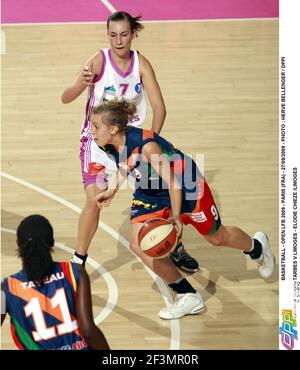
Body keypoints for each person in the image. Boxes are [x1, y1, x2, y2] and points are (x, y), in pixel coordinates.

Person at [92, 99, 275, 320]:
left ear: (113, 129)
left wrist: (176, 216)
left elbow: (173, 183)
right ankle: (187, 295)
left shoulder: (147, 146)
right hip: (150, 191)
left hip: (185, 186)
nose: (92, 131)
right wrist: (111, 190)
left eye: (96, 126)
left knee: (217, 238)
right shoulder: (106, 143)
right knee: (139, 243)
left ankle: (257, 247)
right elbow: (125, 164)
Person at [61, 11, 199, 273]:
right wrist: (82, 81)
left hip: (130, 143)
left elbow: (160, 107)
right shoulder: (98, 60)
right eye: (113, 35)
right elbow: (65, 98)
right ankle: (79, 261)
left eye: (124, 34)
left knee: (161, 194)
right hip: (98, 145)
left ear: (132, 34)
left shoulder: (141, 64)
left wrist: (148, 144)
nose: (118, 41)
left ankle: (173, 244)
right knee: (94, 200)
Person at [1, 215, 110, 350]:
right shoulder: (75, 272)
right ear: (52, 242)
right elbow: (88, 331)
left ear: (18, 244)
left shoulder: (5, 290)